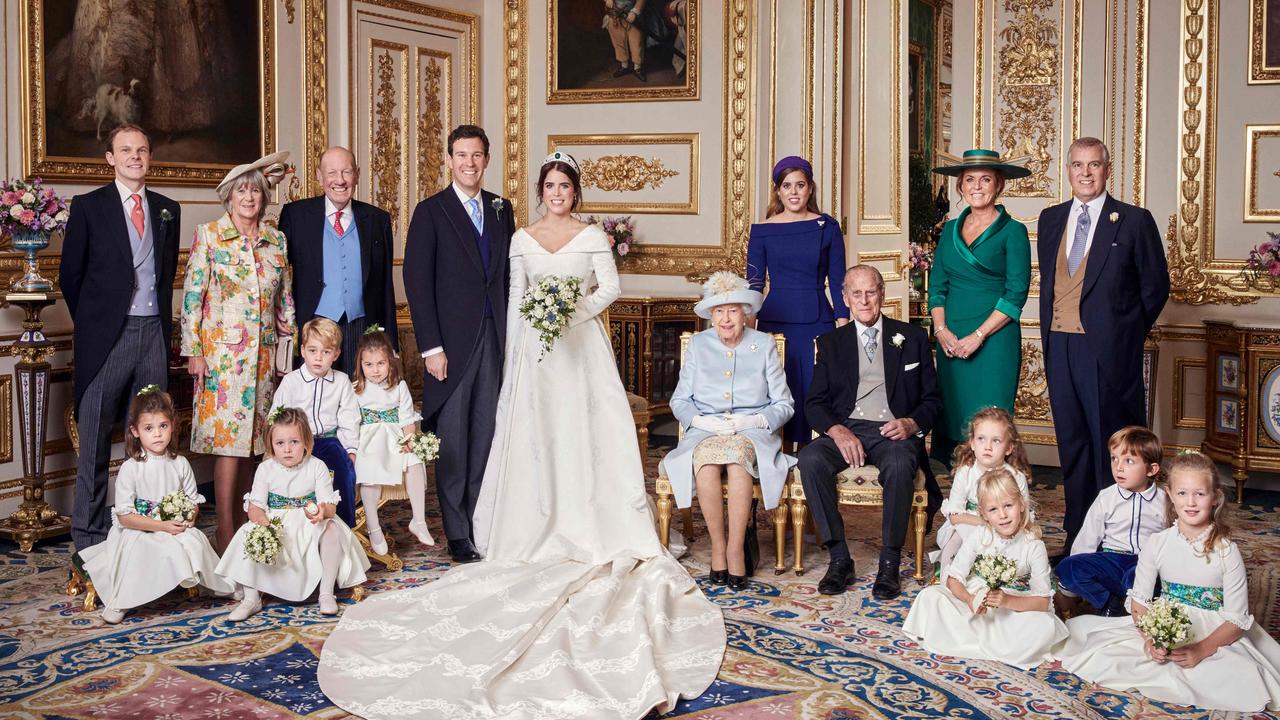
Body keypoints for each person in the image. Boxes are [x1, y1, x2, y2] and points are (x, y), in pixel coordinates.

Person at [318, 152, 725, 718]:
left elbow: (608, 288)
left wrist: (570, 310)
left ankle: (590, 521)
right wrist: (523, 345)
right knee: (535, 440)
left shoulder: (591, 237)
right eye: (550, 186)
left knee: (585, 440)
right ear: (541, 191)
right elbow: (511, 298)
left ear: (575, 194)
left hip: (581, 352)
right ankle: (533, 522)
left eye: (565, 187)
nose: (557, 193)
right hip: (536, 355)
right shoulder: (522, 236)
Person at [1057, 452, 1280, 712]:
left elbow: (1237, 620)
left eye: (1200, 494)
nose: (1191, 502)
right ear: (1170, 495)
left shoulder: (1226, 551)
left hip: (1213, 629)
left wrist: (1201, 649)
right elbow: (1139, 602)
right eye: (1183, 493)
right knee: (1108, 656)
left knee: (1238, 676)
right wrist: (1150, 639)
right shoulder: (1158, 543)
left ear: (1216, 497)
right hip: (1166, 622)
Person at [1038, 137, 1169, 556]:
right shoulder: (1051, 218)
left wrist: (1123, 335)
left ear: (1107, 170)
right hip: (1060, 346)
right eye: (1078, 165)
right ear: (1068, 170)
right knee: (1073, 446)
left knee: (1110, 449)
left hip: (1109, 354)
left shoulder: (1132, 220)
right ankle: (1079, 540)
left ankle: (1117, 544)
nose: (1085, 173)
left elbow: (1155, 288)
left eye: (1094, 165)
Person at [60, 124, 181, 552]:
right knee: (93, 440)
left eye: (142, 150)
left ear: (150, 157)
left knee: (155, 440)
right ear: (110, 158)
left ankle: (155, 535)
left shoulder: (168, 209)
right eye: (126, 150)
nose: (135, 157)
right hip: (106, 338)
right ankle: (89, 541)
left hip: (152, 333)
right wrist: (97, 324)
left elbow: (164, 279)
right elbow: (69, 276)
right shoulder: (89, 207)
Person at [402, 124, 514, 564]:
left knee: (486, 434)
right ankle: (457, 534)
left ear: (487, 160)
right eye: (461, 155)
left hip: (495, 336)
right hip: (449, 343)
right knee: (452, 440)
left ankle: (480, 523)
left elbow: (508, 276)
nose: (469, 163)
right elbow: (416, 280)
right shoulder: (430, 211)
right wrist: (430, 347)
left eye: (477, 155)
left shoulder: (502, 209)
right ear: (449, 160)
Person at [798, 265, 942, 600]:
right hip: (847, 428)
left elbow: (933, 400)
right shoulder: (830, 342)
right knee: (810, 459)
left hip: (893, 430)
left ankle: (889, 562)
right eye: (856, 294)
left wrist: (911, 423)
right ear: (846, 298)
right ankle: (839, 558)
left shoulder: (913, 338)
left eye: (871, 292)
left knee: (899, 463)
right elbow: (814, 403)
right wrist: (837, 432)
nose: (864, 300)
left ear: (882, 294)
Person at [182, 151, 295, 552]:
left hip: (265, 359)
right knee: (228, 443)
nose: (249, 197)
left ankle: (249, 521)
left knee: (255, 443)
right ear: (229, 197)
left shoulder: (275, 239)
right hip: (223, 359)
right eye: (242, 190)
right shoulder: (210, 235)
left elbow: (285, 301)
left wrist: (288, 349)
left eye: (256, 191)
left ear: (264, 198)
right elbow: (193, 297)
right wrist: (193, 351)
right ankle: (225, 527)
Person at [665, 271, 796, 590]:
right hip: (705, 429)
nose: (726, 318)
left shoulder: (764, 345)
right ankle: (719, 548)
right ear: (711, 315)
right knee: (706, 462)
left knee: (738, 461)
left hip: (751, 431)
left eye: (733, 310)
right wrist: (700, 422)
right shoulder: (697, 345)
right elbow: (679, 401)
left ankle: (736, 549)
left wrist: (751, 422)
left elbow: (785, 404)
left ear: (745, 313)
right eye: (720, 311)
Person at [79, 386, 233, 624]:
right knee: (138, 551)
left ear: (173, 425)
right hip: (140, 528)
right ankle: (121, 600)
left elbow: (193, 500)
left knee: (195, 542)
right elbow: (125, 517)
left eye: (163, 426)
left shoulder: (180, 463)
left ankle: (221, 586)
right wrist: (161, 526)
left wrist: (189, 517)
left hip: (173, 526)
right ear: (135, 431)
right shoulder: (131, 468)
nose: (158, 434)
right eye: (149, 428)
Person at [902, 468, 1067, 669]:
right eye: (993, 510)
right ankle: (987, 640)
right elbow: (954, 578)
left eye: (1008, 506)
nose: (1003, 515)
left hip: (1014, 606)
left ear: (1021, 505)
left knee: (1044, 627)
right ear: (984, 514)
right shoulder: (980, 535)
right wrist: (969, 600)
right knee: (930, 597)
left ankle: (974, 638)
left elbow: (1042, 602)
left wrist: (1007, 601)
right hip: (977, 599)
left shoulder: (1033, 545)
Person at [927, 149, 1032, 465]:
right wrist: (941, 331)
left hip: (993, 341)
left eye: (985, 179)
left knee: (991, 419)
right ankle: (960, 497)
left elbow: (1016, 295)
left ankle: (994, 499)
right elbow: (937, 287)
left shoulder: (1014, 232)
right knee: (955, 418)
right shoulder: (949, 230)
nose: (977, 186)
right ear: (960, 186)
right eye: (969, 179)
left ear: (998, 184)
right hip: (952, 339)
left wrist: (978, 335)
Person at [218, 407, 369, 621]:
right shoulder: (266, 469)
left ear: (307, 443)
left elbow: (330, 505)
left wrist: (321, 513)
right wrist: (262, 522)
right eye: (280, 443)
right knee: (247, 531)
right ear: (271, 445)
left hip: (308, 522)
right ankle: (251, 598)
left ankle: (326, 593)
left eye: (294, 442)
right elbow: (255, 507)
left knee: (333, 529)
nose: (287, 449)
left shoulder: (317, 467)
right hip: (276, 521)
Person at [746, 156, 849, 445]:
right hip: (774, 320)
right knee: (777, 386)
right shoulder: (762, 230)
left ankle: (817, 454)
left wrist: (843, 325)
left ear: (810, 189)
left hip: (818, 320)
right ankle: (773, 451)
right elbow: (754, 285)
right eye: (787, 186)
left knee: (816, 388)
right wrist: (748, 332)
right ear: (778, 191)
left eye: (800, 185)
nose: (793, 192)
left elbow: (839, 279)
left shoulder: (827, 227)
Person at [279, 146, 398, 376]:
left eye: (347, 172)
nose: (340, 180)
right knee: (316, 403)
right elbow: (277, 274)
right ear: (318, 176)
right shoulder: (296, 216)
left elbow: (386, 287)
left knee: (360, 400)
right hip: (313, 328)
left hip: (362, 327)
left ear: (357, 174)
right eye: (331, 173)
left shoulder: (378, 220)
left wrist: (391, 344)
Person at [1055, 426, 1166, 618]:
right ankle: (1109, 601)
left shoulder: (1164, 501)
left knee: (1137, 577)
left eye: (1129, 461)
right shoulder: (1107, 497)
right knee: (1068, 567)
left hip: (1145, 563)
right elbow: (1088, 537)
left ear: (1151, 469)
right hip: (1111, 560)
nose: (1118, 467)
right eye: (1114, 458)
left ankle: (1130, 605)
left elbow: (1173, 538)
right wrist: (1078, 569)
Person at [351, 327, 435, 555]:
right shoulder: (355, 390)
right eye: (369, 365)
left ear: (390, 362)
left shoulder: (399, 387)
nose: (375, 370)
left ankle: (418, 520)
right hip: (368, 440)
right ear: (361, 364)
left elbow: (407, 418)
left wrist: (409, 438)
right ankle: (373, 525)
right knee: (369, 470)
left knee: (414, 462)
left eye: (380, 364)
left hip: (395, 436)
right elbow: (350, 422)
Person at [269, 318, 360, 527]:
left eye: (326, 352)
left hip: (328, 441)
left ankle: (343, 527)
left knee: (344, 473)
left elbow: (349, 418)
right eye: (312, 351)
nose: (318, 358)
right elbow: (276, 416)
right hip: (298, 442)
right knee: (293, 480)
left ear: (336, 355)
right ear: (302, 350)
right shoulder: (291, 381)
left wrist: (351, 450)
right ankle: (295, 525)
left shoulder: (341, 381)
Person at [933, 406, 1032, 577]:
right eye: (981, 439)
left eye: (996, 441)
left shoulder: (1016, 477)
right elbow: (955, 515)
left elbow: (1024, 516)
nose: (988, 447)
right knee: (957, 537)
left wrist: (1000, 524)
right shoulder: (966, 472)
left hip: (1005, 524)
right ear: (972, 443)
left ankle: (995, 576)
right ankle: (948, 577)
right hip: (970, 522)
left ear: (1009, 448)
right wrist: (986, 522)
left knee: (1021, 549)